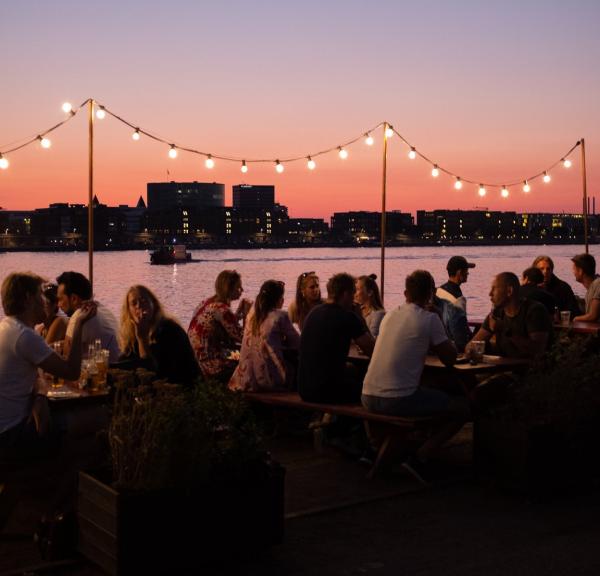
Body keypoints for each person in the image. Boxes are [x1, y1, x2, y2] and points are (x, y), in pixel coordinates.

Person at [362, 270, 468, 485]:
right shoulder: (429, 319)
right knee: (463, 407)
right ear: (430, 294)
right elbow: (449, 358)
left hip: (367, 395)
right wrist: (439, 319)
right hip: (397, 400)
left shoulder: (390, 315)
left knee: (426, 392)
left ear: (405, 293)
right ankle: (421, 456)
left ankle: (393, 452)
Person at [0, 272, 96, 461]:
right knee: (97, 417)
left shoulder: (7, 328)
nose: (45, 300)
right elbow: (72, 372)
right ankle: (68, 483)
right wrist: (78, 324)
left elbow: (35, 375)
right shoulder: (25, 336)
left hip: (6, 429)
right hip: (11, 437)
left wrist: (40, 395)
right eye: (41, 295)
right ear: (29, 299)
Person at [298, 273, 375, 404]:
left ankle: (335, 421)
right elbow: (373, 351)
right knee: (373, 391)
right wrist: (359, 317)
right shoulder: (348, 316)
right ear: (345, 294)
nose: (354, 298)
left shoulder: (314, 313)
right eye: (353, 293)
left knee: (351, 372)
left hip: (304, 389)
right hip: (328, 392)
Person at [118, 285, 199, 385]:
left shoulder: (170, 330)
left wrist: (142, 339)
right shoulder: (132, 332)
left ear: (154, 304)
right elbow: (125, 361)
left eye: (144, 301)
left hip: (179, 389)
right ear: (129, 311)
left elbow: (152, 373)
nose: (139, 306)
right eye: (134, 303)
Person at [229, 280, 300, 392]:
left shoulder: (252, 314)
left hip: (244, 378)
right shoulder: (280, 316)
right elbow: (298, 343)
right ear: (279, 299)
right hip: (268, 380)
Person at [467, 272, 552, 359]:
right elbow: (471, 346)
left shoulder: (534, 311)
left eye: (494, 289)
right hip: (503, 368)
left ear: (509, 291)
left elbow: (538, 351)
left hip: (531, 370)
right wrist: (473, 350)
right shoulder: (496, 314)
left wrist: (505, 330)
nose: (490, 293)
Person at [188, 270, 251, 382]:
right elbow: (244, 338)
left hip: (196, 360)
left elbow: (223, 325)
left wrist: (236, 314)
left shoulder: (206, 303)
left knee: (239, 354)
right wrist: (247, 316)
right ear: (229, 289)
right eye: (239, 287)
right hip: (211, 364)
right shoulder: (223, 310)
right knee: (251, 360)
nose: (242, 290)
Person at [56, 271, 120, 362]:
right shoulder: (103, 310)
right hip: (118, 365)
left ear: (74, 299)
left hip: (101, 371)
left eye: (60, 299)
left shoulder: (79, 315)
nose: (58, 305)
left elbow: (67, 357)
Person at [571, 253, 600, 322]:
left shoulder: (598, 284)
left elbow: (593, 316)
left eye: (574, 269)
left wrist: (575, 319)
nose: (573, 272)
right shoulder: (592, 286)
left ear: (580, 271)